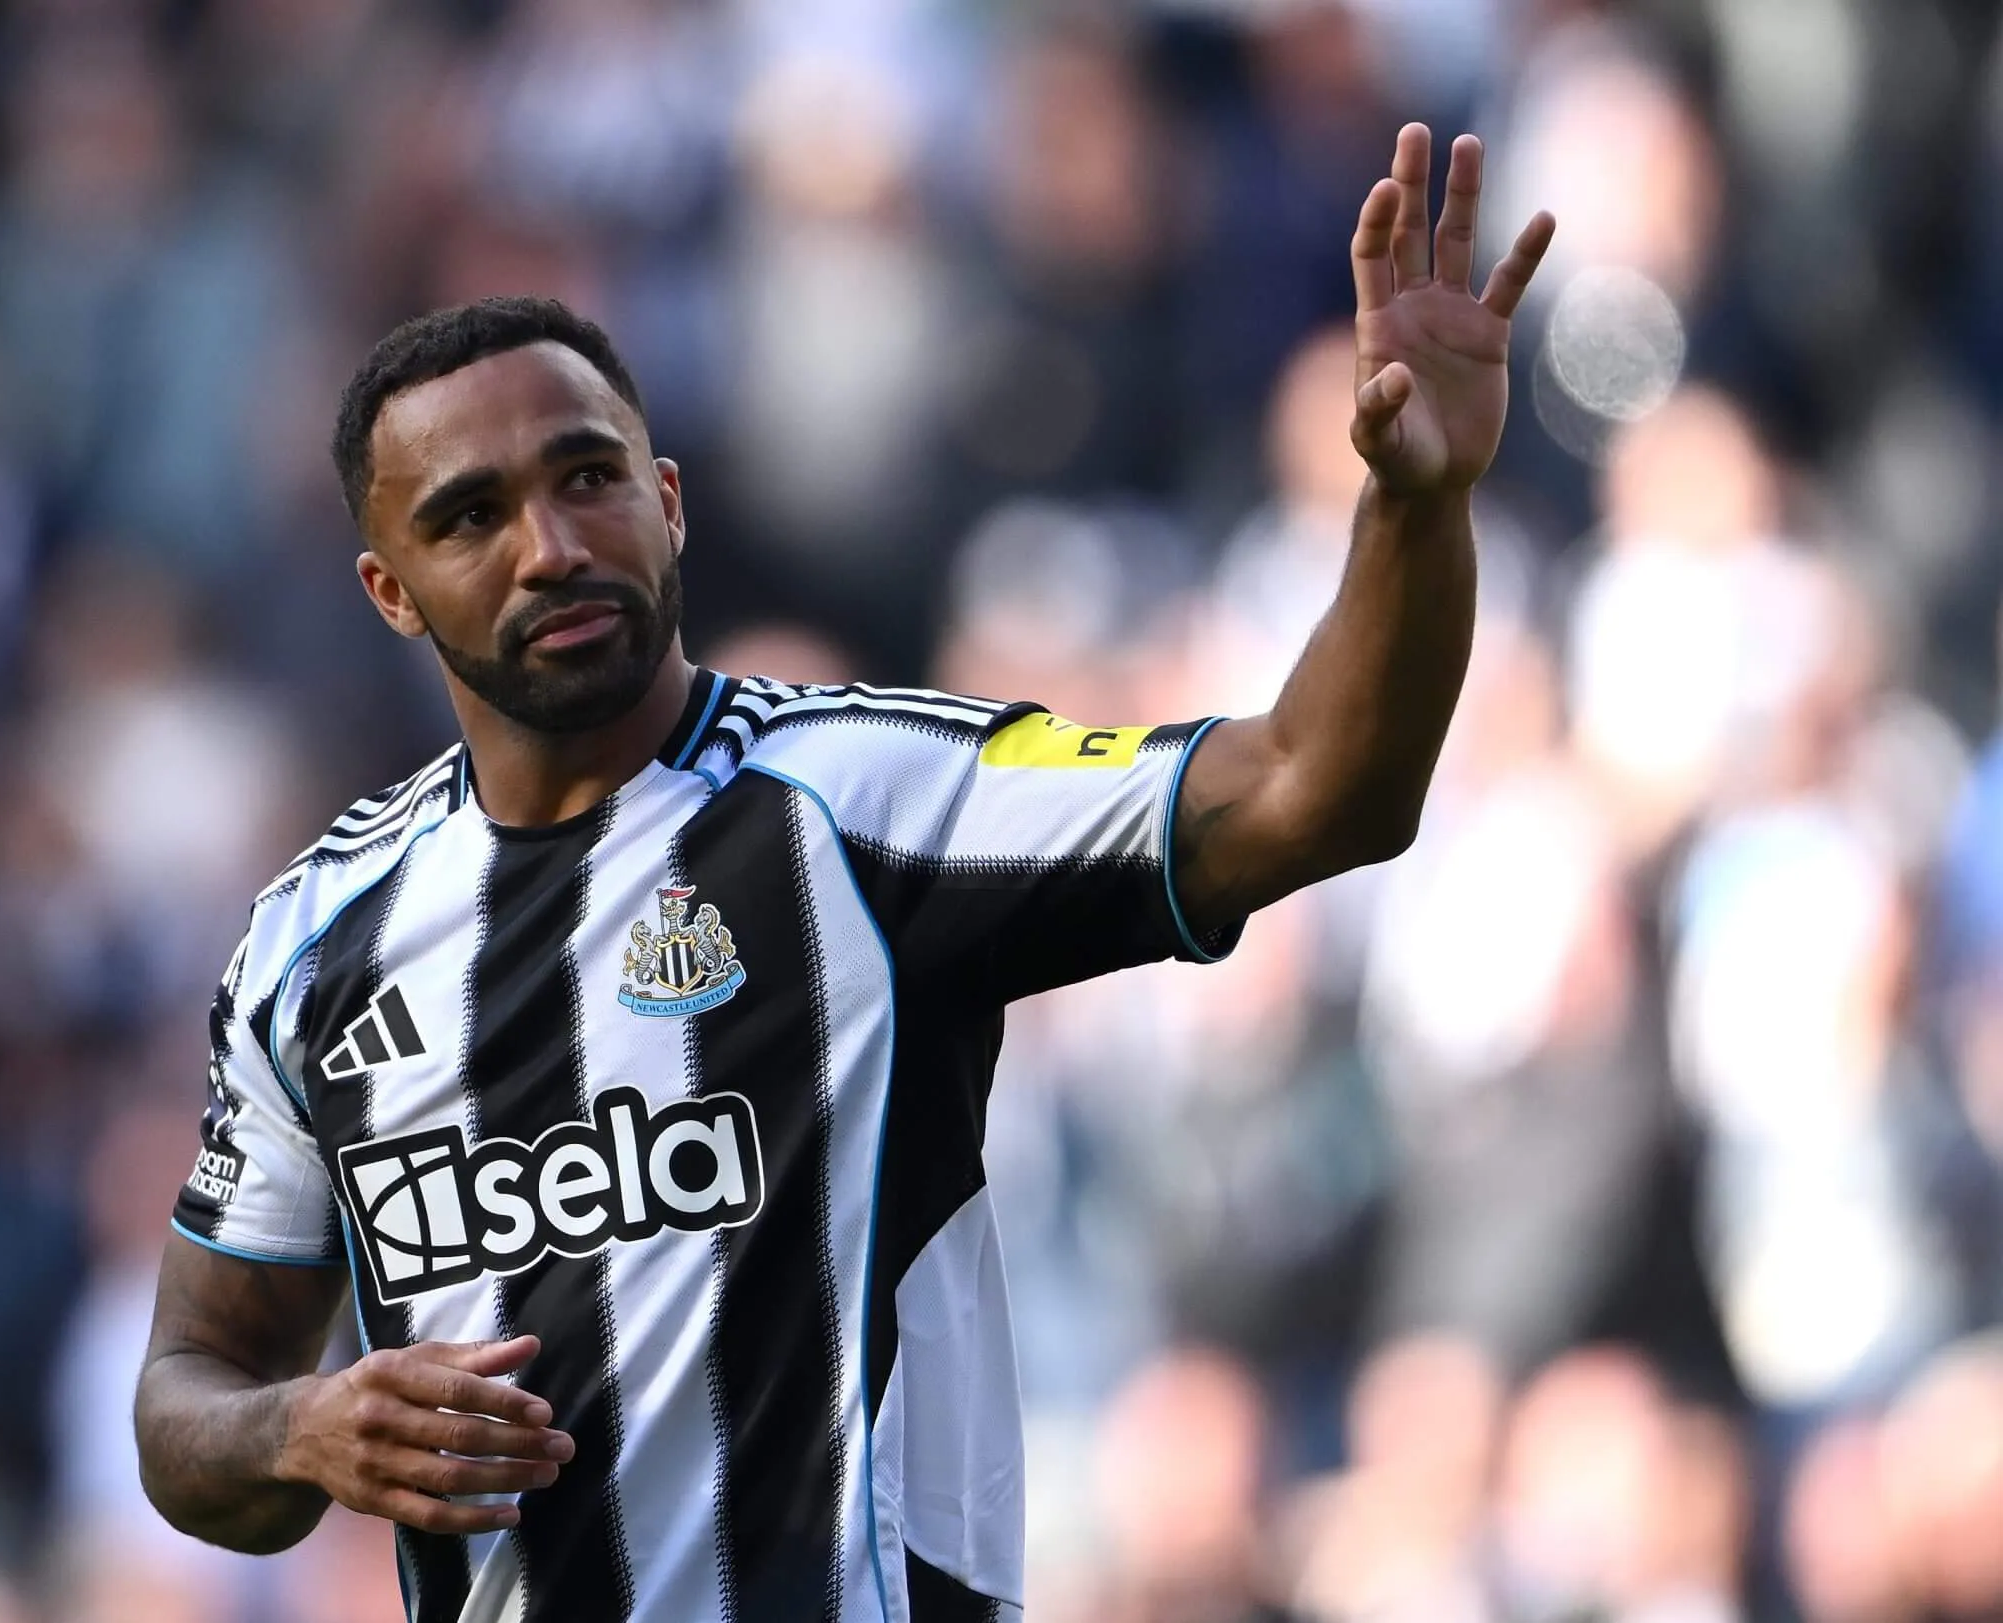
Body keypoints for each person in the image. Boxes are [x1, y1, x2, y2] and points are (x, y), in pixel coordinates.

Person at [132, 124, 1555, 1623]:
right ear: (389, 590)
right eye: (470, 517)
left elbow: (1320, 790)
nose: (549, 547)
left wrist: (1417, 506)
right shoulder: (316, 943)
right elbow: (187, 1392)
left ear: (669, 502)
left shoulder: (868, 800)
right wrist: (300, 1429)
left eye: (587, 477)